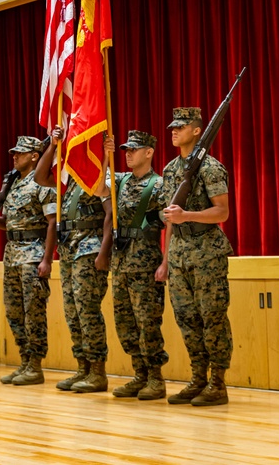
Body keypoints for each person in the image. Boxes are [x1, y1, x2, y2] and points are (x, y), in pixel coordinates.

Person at [155, 106, 233, 407]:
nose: (174, 131)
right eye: (172, 127)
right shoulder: (171, 169)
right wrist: (166, 259)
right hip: (180, 254)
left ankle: (218, 383)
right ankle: (198, 378)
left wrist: (187, 214)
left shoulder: (210, 167)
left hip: (206, 253)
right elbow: (171, 219)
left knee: (212, 318)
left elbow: (222, 212)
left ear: (197, 130)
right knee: (187, 319)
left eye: (181, 126)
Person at [34, 126, 112, 393]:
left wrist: (103, 252)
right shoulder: (67, 176)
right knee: (72, 312)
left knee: (87, 310)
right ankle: (83, 368)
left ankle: (98, 372)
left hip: (89, 249)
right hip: (68, 250)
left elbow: (110, 215)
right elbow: (39, 175)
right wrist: (53, 146)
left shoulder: (100, 173)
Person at [0, 136, 56, 386]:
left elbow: (52, 221)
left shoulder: (42, 183)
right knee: (14, 312)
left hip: (33, 255)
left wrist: (47, 259)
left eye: (20, 153)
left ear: (35, 156)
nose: (14, 156)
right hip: (11, 255)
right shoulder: (11, 184)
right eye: (14, 153)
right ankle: (24, 362)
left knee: (33, 312)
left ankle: (35, 366)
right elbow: (9, 224)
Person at [96, 131, 168, 400]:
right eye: (125, 149)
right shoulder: (120, 180)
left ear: (149, 152)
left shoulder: (159, 184)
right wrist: (106, 155)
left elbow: (170, 222)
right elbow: (96, 187)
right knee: (125, 323)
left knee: (147, 322)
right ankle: (139, 375)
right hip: (122, 262)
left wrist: (166, 261)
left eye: (133, 150)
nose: (128, 154)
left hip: (145, 263)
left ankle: (156, 379)